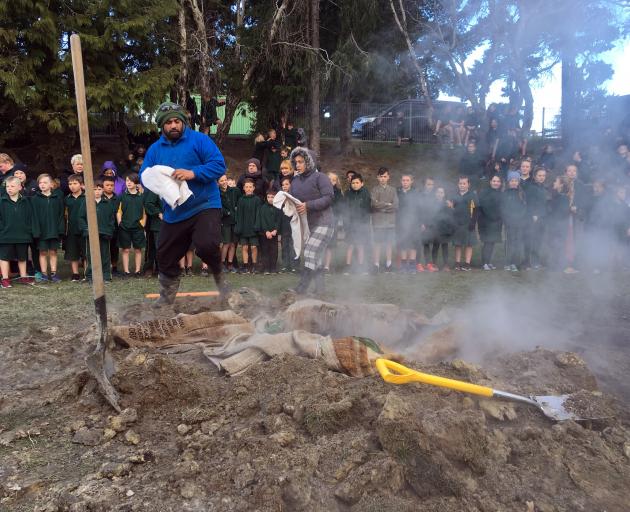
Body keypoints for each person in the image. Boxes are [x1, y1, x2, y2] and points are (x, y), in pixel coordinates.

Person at [140, 101, 230, 304]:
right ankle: (167, 296)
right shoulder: (155, 150)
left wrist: (193, 173)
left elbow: (218, 165)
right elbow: (145, 174)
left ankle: (221, 280)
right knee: (164, 254)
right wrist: (158, 180)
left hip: (204, 204)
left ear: (183, 122)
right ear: (162, 126)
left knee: (207, 246)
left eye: (177, 121)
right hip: (175, 211)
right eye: (169, 122)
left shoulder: (200, 140)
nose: (174, 126)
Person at [288, 147, 334, 294]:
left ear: (309, 162)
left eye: (301, 162)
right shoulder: (294, 181)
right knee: (315, 258)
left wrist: (308, 205)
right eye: (295, 162)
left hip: (324, 222)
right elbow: (293, 200)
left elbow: (329, 198)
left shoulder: (320, 177)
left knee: (309, 253)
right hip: (308, 225)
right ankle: (321, 290)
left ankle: (301, 288)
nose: (297, 165)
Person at [0, 176, 35, 288]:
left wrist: (28, 230)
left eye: (12, 186)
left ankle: (23, 277)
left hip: (23, 235)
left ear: (20, 187)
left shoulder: (26, 201)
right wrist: (3, 230)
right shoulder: (2, 201)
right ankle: (5, 279)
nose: (9, 188)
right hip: (5, 236)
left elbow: (30, 217)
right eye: (7, 186)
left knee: (22, 257)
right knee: (4, 257)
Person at [78, 180, 116, 282]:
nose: (97, 191)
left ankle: (106, 276)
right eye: (94, 189)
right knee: (90, 255)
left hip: (104, 234)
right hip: (90, 234)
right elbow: (81, 218)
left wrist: (109, 231)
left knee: (105, 255)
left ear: (103, 190)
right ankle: (90, 276)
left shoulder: (108, 203)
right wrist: (86, 229)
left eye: (99, 189)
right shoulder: (86, 203)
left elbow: (112, 219)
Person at [31, 174, 64, 282]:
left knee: (53, 252)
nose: (42, 185)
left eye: (45, 182)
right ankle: (44, 274)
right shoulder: (35, 199)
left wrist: (60, 229)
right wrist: (36, 231)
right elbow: (33, 216)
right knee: (43, 252)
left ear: (51, 184)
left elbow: (60, 215)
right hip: (41, 231)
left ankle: (54, 274)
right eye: (40, 183)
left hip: (54, 230)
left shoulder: (57, 198)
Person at [117, 173, 146, 277]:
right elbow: (118, 211)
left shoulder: (142, 196)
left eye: (131, 181)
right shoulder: (122, 196)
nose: (128, 182)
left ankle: (137, 270)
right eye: (127, 180)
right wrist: (120, 222)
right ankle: (126, 271)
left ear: (136, 183)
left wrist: (142, 223)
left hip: (138, 227)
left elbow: (145, 211)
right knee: (126, 249)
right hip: (124, 227)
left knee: (138, 249)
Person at [370, 167, 398, 273]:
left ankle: (389, 264)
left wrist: (381, 206)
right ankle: (376, 264)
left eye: (385, 176)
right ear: (378, 177)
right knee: (377, 243)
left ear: (388, 177)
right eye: (381, 177)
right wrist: (387, 204)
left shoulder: (393, 190)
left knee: (389, 243)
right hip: (378, 222)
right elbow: (374, 204)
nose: (383, 179)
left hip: (390, 222)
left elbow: (396, 205)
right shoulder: (374, 189)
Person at [343, 173, 372, 274]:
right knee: (350, 246)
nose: (355, 185)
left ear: (362, 183)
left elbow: (367, 209)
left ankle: (361, 266)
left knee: (360, 245)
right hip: (350, 224)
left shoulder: (366, 193)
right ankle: (348, 266)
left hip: (362, 224)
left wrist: (364, 223)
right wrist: (346, 223)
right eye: (353, 183)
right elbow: (345, 209)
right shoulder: (347, 193)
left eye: (357, 183)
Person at [234, 179, 262, 274]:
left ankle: (254, 265)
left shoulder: (257, 200)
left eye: (250, 187)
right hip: (243, 228)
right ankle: (246, 266)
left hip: (254, 228)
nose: (248, 189)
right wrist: (239, 227)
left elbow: (259, 214)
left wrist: (257, 225)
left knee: (254, 247)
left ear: (253, 188)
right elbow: (238, 215)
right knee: (245, 247)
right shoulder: (241, 200)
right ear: (243, 188)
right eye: (246, 187)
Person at [501, 171, 527, 271]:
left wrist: (519, 218)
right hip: (509, 223)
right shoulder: (505, 193)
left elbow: (524, 208)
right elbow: (503, 208)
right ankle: (507, 263)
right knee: (509, 243)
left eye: (516, 180)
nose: (514, 182)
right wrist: (507, 219)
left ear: (518, 181)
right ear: (508, 182)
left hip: (519, 223)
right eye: (512, 180)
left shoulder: (522, 193)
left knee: (517, 243)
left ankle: (514, 263)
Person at [477, 175, 503, 270]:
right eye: (494, 181)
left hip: (496, 222)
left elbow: (501, 207)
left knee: (492, 242)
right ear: (490, 182)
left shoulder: (500, 193)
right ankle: (484, 263)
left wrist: (499, 217)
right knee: (487, 242)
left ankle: (488, 262)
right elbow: (484, 206)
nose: (496, 183)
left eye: (498, 181)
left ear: (500, 183)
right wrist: (493, 217)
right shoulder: (485, 192)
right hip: (486, 221)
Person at [451, 176, 477, 270]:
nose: (462, 185)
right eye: (460, 183)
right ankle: (457, 263)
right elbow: (451, 208)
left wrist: (473, 223)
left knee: (469, 244)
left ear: (468, 185)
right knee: (458, 244)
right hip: (457, 224)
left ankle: (467, 263)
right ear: (458, 184)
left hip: (468, 223)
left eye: (464, 183)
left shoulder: (472, 195)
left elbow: (475, 210)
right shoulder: (454, 195)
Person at [64, 174, 86, 282]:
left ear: (81, 185)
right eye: (70, 184)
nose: (72, 186)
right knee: (73, 253)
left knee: (86, 253)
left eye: (75, 183)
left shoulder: (86, 197)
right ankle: (75, 274)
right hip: (72, 230)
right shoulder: (67, 199)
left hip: (84, 230)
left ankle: (87, 272)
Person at [526, 167, 548, 270]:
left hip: (543, 218)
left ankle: (537, 261)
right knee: (533, 240)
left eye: (543, 175)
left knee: (539, 240)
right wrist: (533, 214)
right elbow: (529, 203)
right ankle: (532, 262)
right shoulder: (531, 188)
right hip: (534, 218)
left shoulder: (544, 188)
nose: (542, 177)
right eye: (539, 175)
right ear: (534, 176)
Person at [396, 174, 419, 273]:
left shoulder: (415, 192)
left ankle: (412, 266)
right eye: (403, 180)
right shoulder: (397, 192)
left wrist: (420, 222)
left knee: (413, 244)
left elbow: (420, 208)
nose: (405, 182)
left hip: (413, 221)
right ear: (401, 181)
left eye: (407, 180)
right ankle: (404, 265)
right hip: (401, 221)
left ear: (411, 181)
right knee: (403, 243)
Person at [219, 174, 240, 273]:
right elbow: (218, 207)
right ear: (218, 183)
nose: (224, 182)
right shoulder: (217, 193)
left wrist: (236, 209)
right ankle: (222, 263)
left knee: (233, 243)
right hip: (225, 221)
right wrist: (226, 212)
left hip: (234, 220)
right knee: (226, 243)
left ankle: (230, 264)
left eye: (225, 180)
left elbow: (240, 201)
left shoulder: (234, 190)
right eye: (221, 181)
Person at [431, 186, 456, 271]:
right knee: (435, 246)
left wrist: (451, 208)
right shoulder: (432, 203)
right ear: (435, 193)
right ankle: (434, 264)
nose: (439, 194)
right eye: (438, 192)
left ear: (444, 194)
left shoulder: (447, 204)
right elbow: (430, 215)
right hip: (435, 228)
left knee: (445, 247)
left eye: (441, 192)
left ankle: (446, 265)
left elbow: (451, 216)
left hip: (445, 229)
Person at [257, 190, 281, 274]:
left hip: (274, 233)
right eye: (268, 197)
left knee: (274, 251)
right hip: (265, 234)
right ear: (266, 198)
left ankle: (273, 268)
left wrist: (275, 230)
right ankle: (266, 268)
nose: (270, 199)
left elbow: (278, 220)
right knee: (265, 250)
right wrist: (266, 231)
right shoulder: (263, 208)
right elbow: (262, 220)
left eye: (272, 197)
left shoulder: (277, 208)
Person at [323, 172, 343, 273]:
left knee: (330, 245)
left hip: (332, 220)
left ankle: (327, 265)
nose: (331, 182)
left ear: (336, 182)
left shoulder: (338, 192)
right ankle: (318, 264)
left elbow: (339, 207)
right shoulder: (320, 190)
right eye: (329, 179)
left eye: (333, 180)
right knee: (321, 243)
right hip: (321, 220)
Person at [143, 189, 162, 277]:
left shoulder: (171, 187)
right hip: (155, 224)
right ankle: (149, 268)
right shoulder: (154, 189)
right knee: (152, 247)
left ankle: (160, 268)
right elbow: (148, 204)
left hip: (169, 223)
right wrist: (158, 213)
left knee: (164, 247)